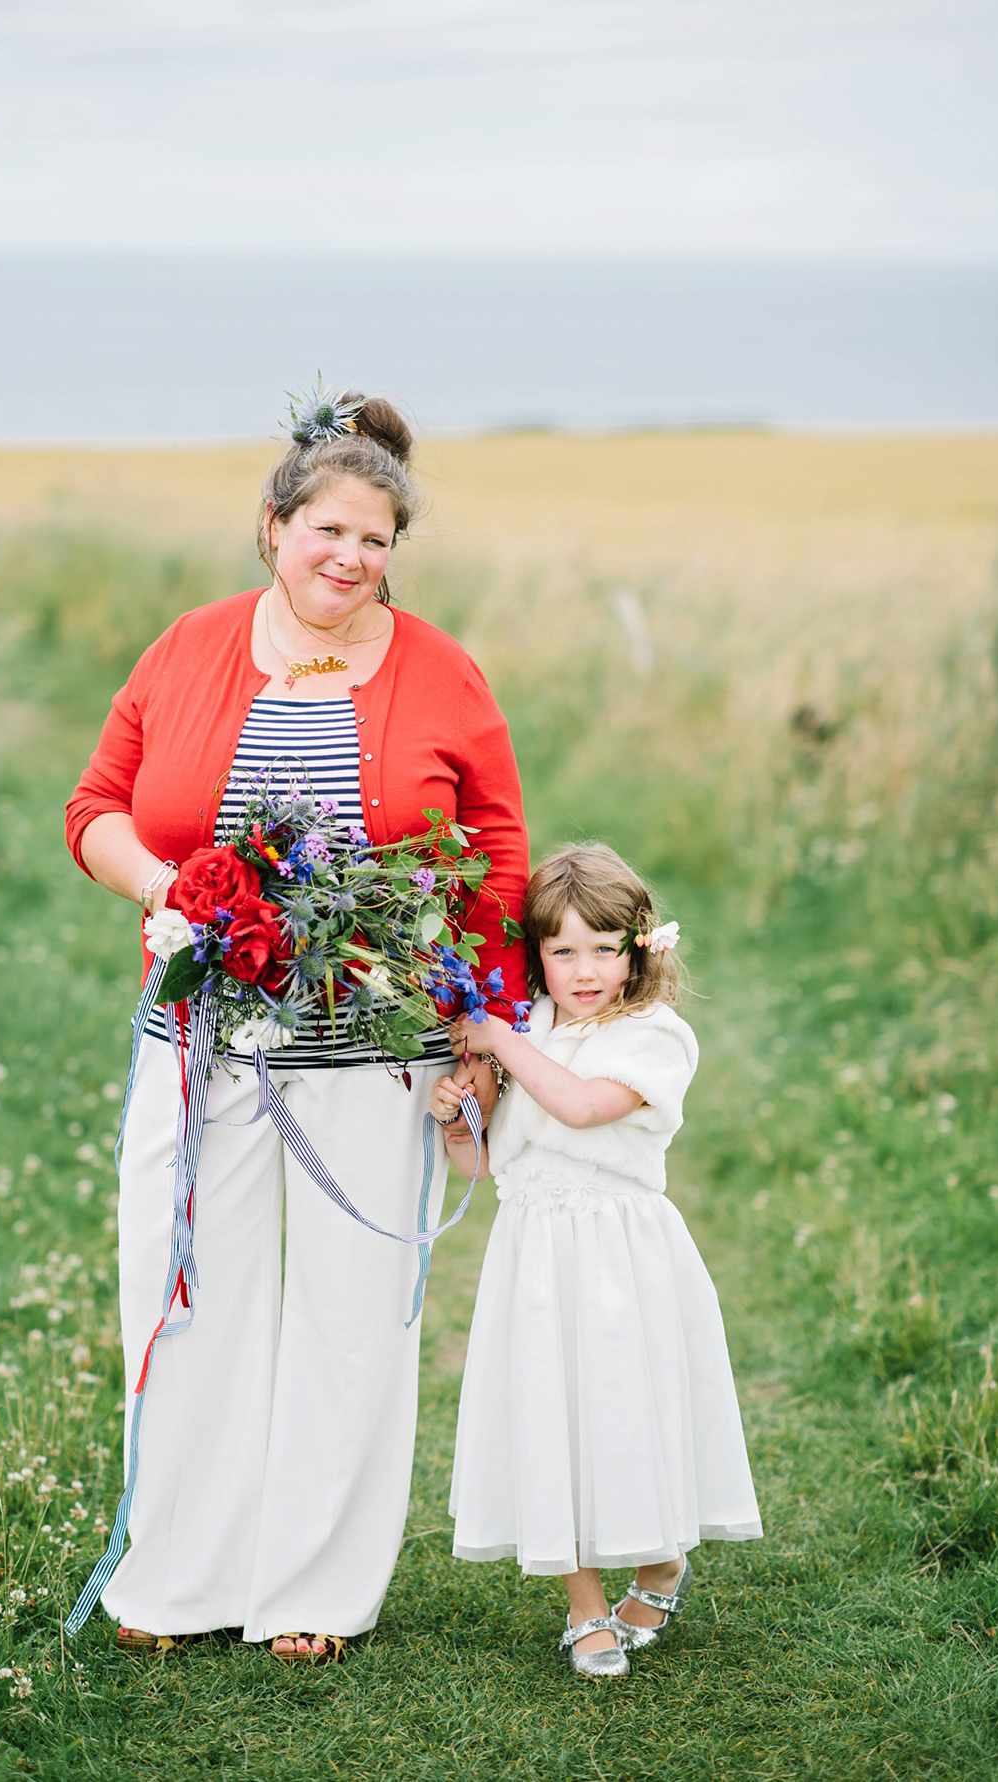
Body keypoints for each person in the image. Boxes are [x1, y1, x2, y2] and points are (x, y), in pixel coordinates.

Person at [65, 384, 529, 1661]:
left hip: (375, 1059)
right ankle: (176, 1579)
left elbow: (494, 852)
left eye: (376, 541)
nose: (350, 558)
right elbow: (97, 805)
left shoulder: (442, 673)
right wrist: (169, 885)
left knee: (346, 1313)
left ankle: (314, 1592)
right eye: (328, 530)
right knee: (188, 1300)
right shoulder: (188, 646)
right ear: (273, 526)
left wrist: (479, 1040)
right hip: (203, 1049)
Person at [429, 843, 761, 1679]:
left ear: (639, 949)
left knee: (624, 1411)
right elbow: (485, 1166)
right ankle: (583, 1603)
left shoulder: (655, 1037)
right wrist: (455, 1121)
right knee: (548, 1412)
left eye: (605, 948)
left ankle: (660, 1564)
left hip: (623, 1255)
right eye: (562, 950)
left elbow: (578, 1107)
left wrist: (497, 1037)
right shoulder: (530, 1026)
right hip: (534, 1256)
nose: (583, 971)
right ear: (535, 953)